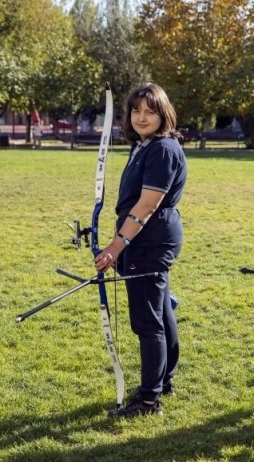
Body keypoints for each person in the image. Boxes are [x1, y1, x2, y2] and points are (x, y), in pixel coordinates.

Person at [94, 83, 187, 418]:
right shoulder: (145, 145)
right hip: (148, 239)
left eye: (150, 111)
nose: (142, 117)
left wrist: (116, 245)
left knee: (148, 323)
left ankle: (149, 401)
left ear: (164, 114)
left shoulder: (162, 148)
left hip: (149, 241)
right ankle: (162, 381)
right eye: (136, 111)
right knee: (160, 310)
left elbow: (147, 205)